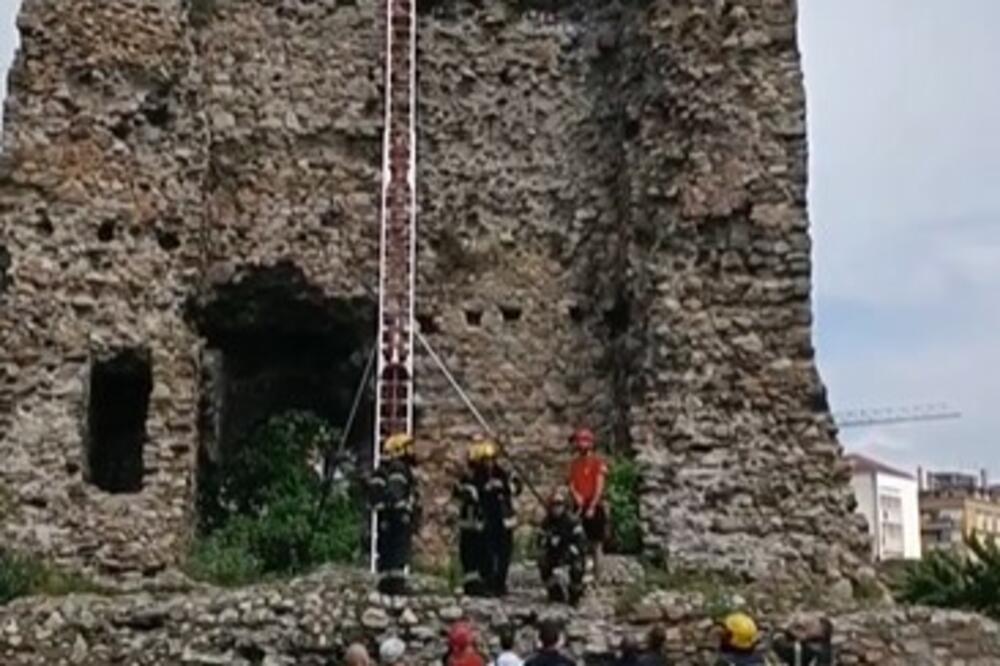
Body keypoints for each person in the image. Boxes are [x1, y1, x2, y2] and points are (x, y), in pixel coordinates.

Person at [369, 432, 419, 595]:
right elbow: (396, 492)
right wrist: (405, 510)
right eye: (408, 448)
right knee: (398, 548)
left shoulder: (384, 469)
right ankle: (396, 583)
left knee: (387, 549)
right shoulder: (399, 469)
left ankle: (387, 583)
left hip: (387, 517)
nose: (412, 451)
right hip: (398, 516)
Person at [476, 437, 521, 596]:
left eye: (491, 460)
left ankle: (501, 583)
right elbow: (474, 492)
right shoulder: (477, 475)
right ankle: (489, 582)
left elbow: (517, 487)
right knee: (487, 553)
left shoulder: (503, 473)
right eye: (486, 461)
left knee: (504, 554)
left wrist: (504, 486)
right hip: (487, 520)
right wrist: (485, 488)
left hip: (504, 520)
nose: (489, 464)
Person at [566, 428, 608, 578]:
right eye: (579, 442)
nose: (580, 445)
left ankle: (598, 577)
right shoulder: (574, 464)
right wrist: (575, 495)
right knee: (578, 542)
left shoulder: (598, 463)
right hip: (579, 506)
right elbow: (570, 483)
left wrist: (592, 506)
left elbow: (599, 485)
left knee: (596, 544)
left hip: (594, 506)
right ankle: (580, 573)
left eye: (583, 441)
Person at [538, 489, 587, 605]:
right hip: (554, 552)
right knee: (543, 562)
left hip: (572, 553)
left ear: (565, 505)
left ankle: (575, 595)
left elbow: (581, 542)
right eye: (554, 504)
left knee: (577, 568)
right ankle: (555, 592)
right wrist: (548, 543)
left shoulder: (573, 521)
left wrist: (569, 551)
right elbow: (540, 540)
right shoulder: (546, 522)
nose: (556, 507)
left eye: (559, 504)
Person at [455, 443, 488, 596]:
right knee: (471, 557)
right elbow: (464, 494)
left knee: (481, 556)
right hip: (470, 526)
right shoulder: (469, 480)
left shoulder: (484, 479)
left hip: (480, 526)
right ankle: (473, 586)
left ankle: (480, 584)